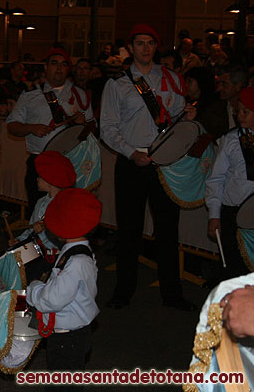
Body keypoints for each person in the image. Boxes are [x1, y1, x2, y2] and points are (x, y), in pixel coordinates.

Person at [100, 23, 196, 311]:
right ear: (131, 48)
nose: (145, 48)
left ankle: (172, 293)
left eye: (150, 43)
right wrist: (131, 153)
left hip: (165, 163)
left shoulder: (174, 80)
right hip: (132, 163)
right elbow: (107, 128)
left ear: (157, 47)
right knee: (129, 229)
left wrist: (189, 114)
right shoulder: (117, 84)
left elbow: (179, 119)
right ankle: (123, 291)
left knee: (168, 230)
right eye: (139, 43)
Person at [26, 187, 100, 389]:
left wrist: (33, 287)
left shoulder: (75, 261)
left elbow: (51, 301)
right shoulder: (79, 252)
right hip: (73, 332)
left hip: (68, 337)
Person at [7, 47, 93, 216]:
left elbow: (92, 129)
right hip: (40, 162)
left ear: (69, 69)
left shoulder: (80, 95)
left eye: (63, 64)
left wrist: (81, 125)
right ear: (45, 67)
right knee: (38, 214)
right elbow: (12, 126)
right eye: (54, 63)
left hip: (71, 162)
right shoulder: (30, 95)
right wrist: (32, 128)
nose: (59, 68)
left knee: (68, 214)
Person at [205, 87, 254, 281]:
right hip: (232, 212)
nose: (239, 116)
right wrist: (214, 215)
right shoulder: (231, 140)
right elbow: (216, 178)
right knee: (233, 269)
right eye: (238, 111)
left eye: (246, 112)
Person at [10, 151, 77, 278]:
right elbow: (30, 230)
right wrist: (19, 240)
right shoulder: (41, 201)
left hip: (52, 255)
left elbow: (64, 235)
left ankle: (29, 295)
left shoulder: (63, 204)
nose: (37, 179)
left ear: (50, 182)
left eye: (40, 177)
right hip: (35, 249)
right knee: (13, 265)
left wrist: (47, 228)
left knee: (28, 275)